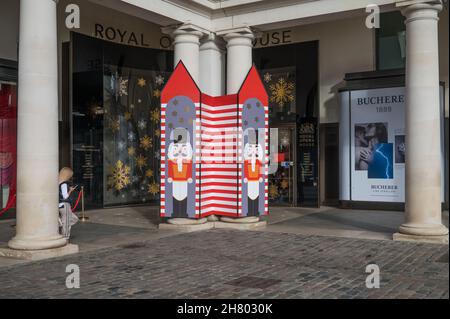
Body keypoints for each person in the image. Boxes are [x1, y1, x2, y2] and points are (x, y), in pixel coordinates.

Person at [58, 167, 79, 240]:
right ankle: (65, 238)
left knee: (74, 218)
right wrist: (70, 190)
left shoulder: (57, 183)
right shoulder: (63, 184)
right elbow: (65, 196)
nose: (70, 177)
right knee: (66, 222)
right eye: (70, 176)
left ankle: (60, 224)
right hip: (65, 205)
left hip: (59, 205)